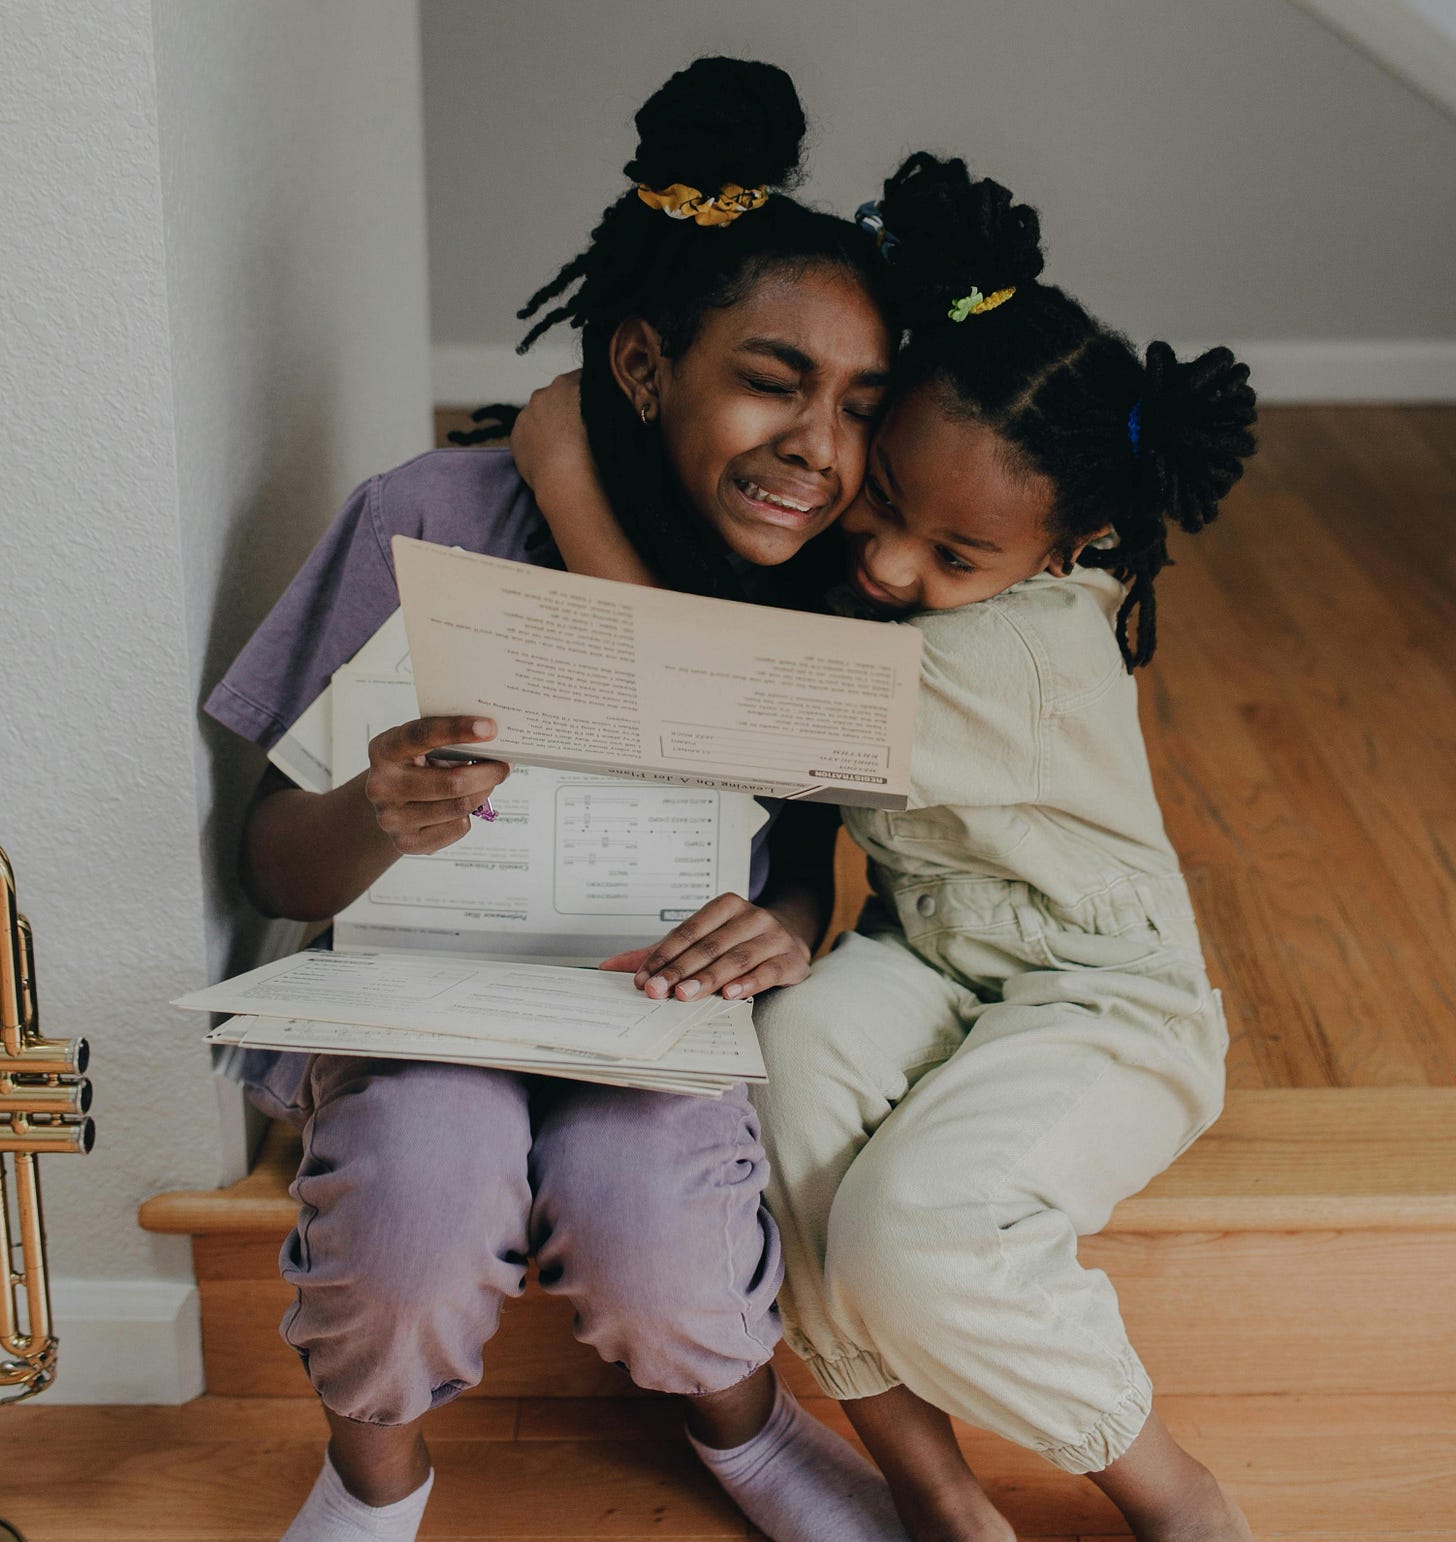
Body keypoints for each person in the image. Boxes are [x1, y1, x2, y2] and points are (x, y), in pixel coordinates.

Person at [204, 57, 908, 1542]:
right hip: (424, 1001)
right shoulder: (430, 518)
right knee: (416, 1196)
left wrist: (780, 930)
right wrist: (373, 812)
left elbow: (799, 864)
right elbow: (271, 857)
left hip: (646, 1006)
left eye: (859, 404)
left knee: (658, 1227)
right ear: (646, 367)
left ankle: (749, 1429)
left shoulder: (832, 589)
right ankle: (368, 1484)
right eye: (774, 382)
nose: (820, 449)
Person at [513, 153, 1258, 1541]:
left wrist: (566, 478)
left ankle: (1174, 1490)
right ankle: (936, 1492)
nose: (893, 564)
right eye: (885, 500)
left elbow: (704, 702)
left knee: (909, 1231)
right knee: (775, 1081)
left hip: (1098, 993)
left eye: (955, 555)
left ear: (1056, 552)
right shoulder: (890, 575)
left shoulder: (1017, 651)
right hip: (924, 951)